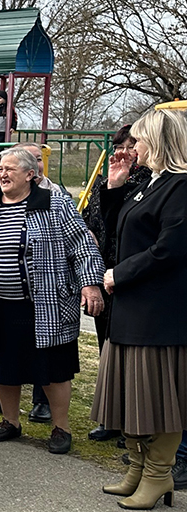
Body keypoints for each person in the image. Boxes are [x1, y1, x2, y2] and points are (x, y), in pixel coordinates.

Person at [0, 146, 104, 455]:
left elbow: (83, 247)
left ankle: (60, 427)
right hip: (0, 305)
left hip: (45, 305)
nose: (3, 174)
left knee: (52, 370)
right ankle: (11, 421)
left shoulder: (55, 203)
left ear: (30, 175)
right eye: (0, 170)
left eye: (10, 169)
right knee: (4, 367)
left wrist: (90, 285)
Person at [91, 109, 187, 509]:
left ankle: (158, 475)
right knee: (128, 393)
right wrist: (114, 188)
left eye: (141, 140)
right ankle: (136, 467)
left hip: (159, 312)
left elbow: (170, 249)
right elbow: (120, 231)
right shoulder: (150, 184)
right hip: (130, 305)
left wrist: (119, 274)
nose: (134, 148)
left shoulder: (181, 187)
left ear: (161, 143)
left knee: (157, 397)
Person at [79, 125, 151, 442]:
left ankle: (132, 424)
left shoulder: (148, 182)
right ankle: (111, 417)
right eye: (120, 145)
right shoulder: (104, 179)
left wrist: (119, 187)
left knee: (131, 355)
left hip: (130, 273)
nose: (124, 151)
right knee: (106, 348)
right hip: (103, 272)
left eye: (131, 145)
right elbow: (89, 215)